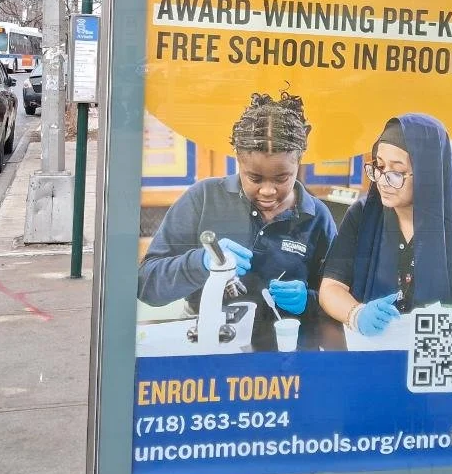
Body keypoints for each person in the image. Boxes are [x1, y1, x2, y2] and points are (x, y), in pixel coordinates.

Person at [137, 91, 337, 329]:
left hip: (284, 348)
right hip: (208, 342)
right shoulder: (203, 199)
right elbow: (146, 285)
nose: (267, 191)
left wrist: (310, 300)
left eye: (282, 178)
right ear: (238, 160)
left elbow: (339, 293)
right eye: (254, 178)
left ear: (299, 161)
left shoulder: (317, 217)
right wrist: (200, 263)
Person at [319, 114, 452, 336]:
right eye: (379, 166)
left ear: (429, 174)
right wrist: (356, 314)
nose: (382, 180)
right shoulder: (362, 216)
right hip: (374, 341)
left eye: (396, 172)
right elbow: (331, 287)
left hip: (437, 345)